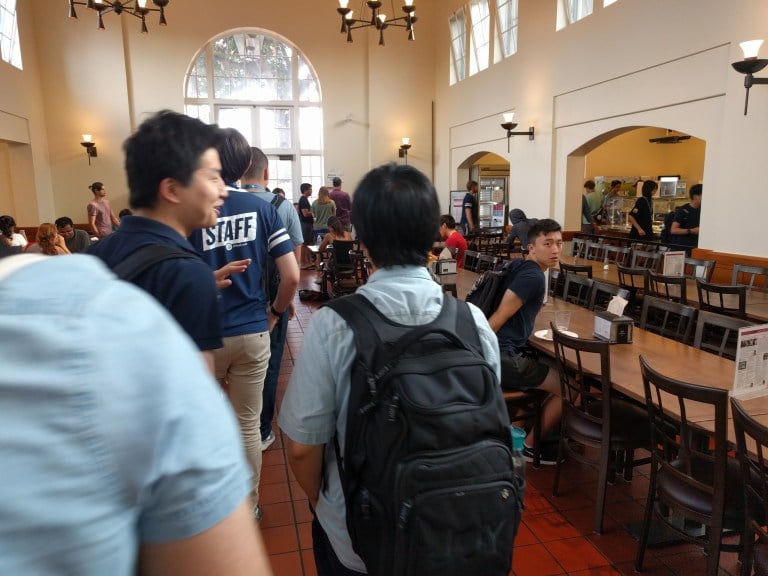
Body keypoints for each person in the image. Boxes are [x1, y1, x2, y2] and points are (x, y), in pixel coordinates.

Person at [279, 163, 500, 575]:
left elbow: (301, 446)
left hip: (363, 541)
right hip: (461, 532)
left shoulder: (336, 324)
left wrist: (326, 507)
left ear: (364, 238)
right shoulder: (474, 322)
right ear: (434, 233)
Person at [0, 254, 273, 576]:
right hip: (243, 337)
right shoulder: (112, 323)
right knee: (244, 424)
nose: (218, 199)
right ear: (171, 197)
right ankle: (251, 503)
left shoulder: (105, 276)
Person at [189, 129, 299, 523]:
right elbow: (291, 276)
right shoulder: (264, 208)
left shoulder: (194, 209)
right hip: (252, 331)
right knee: (248, 426)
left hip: (204, 336)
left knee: (203, 424)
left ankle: (212, 511)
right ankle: (248, 506)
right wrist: (273, 313)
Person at [89, 110, 229, 375]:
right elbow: (195, 400)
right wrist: (195, 285)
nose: (223, 189)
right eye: (213, 177)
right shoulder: (188, 274)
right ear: (172, 190)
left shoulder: (94, 253)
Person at [237, 145, 303, 453]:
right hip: (274, 297)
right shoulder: (282, 206)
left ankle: (236, 431)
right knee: (270, 362)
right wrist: (284, 300)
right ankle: (262, 429)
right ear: (267, 173)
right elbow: (296, 256)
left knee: (232, 367)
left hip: (235, 297)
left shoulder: (225, 204)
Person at [487, 218, 564, 465]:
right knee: (568, 388)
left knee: (540, 374)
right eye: (547, 243)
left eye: (559, 244)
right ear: (531, 247)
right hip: (502, 357)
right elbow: (497, 319)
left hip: (501, 355)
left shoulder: (518, 267)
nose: (555, 250)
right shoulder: (533, 277)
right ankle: (531, 447)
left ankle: (515, 439)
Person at [670, 183, 702, 253]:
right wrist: (692, 230)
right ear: (695, 196)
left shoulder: (703, 210)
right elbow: (673, 230)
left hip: (695, 248)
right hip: (680, 248)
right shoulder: (683, 210)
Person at [298, 182, 315, 268]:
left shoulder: (305, 199)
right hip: (305, 224)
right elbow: (305, 213)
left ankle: (308, 262)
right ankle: (303, 263)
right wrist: (314, 213)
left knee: (308, 243)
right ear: (305, 190)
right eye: (310, 189)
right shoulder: (303, 200)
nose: (311, 191)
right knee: (304, 244)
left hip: (307, 224)